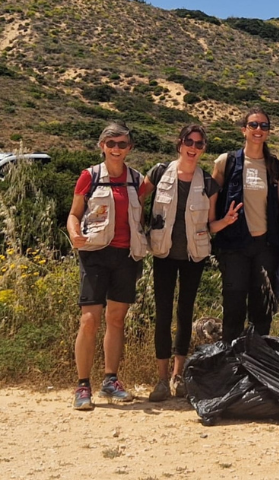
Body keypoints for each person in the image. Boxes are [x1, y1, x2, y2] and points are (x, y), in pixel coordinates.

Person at [142, 125, 234, 402]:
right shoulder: (159, 173)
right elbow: (137, 200)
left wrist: (226, 222)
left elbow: (210, 224)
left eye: (199, 143)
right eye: (189, 142)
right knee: (162, 314)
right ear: (179, 143)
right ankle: (161, 379)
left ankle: (177, 376)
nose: (193, 147)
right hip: (163, 254)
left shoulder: (208, 183)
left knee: (185, 313)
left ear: (204, 148)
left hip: (194, 256)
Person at [66, 121, 150, 410]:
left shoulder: (137, 180)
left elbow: (141, 214)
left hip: (126, 256)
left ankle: (110, 380)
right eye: (111, 143)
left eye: (122, 144)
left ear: (130, 148)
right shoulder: (89, 177)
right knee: (89, 320)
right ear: (102, 146)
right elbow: (74, 214)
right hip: (95, 254)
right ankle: (82, 385)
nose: (116, 149)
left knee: (116, 319)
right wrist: (74, 233)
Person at [211, 107, 279, 343]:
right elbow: (211, 196)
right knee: (233, 307)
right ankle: (231, 358)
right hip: (233, 245)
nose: (258, 129)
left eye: (264, 125)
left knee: (262, 309)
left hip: (264, 245)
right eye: (253, 125)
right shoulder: (226, 162)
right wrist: (214, 225)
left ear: (268, 132)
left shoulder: (274, 165)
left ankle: (258, 359)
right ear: (244, 130)